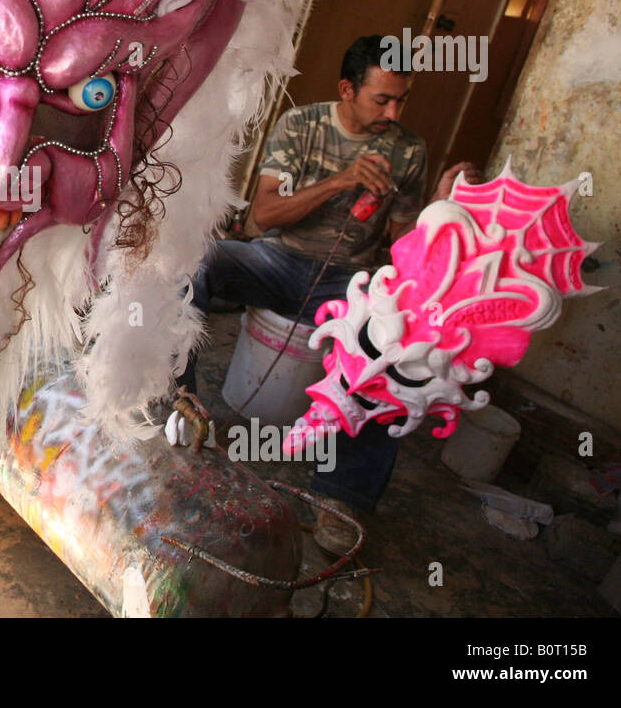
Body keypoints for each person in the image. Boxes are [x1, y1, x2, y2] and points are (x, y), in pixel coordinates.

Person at [184, 35, 481, 554]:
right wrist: (339, 181)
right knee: (196, 263)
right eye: (381, 99)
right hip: (279, 260)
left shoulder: (409, 149)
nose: (393, 111)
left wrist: (439, 206)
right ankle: (175, 398)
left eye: (401, 100)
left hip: (351, 280)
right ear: (348, 89)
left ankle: (342, 497)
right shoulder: (301, 126)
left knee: (401, 343)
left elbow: (406, 247)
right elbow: (264, 216)